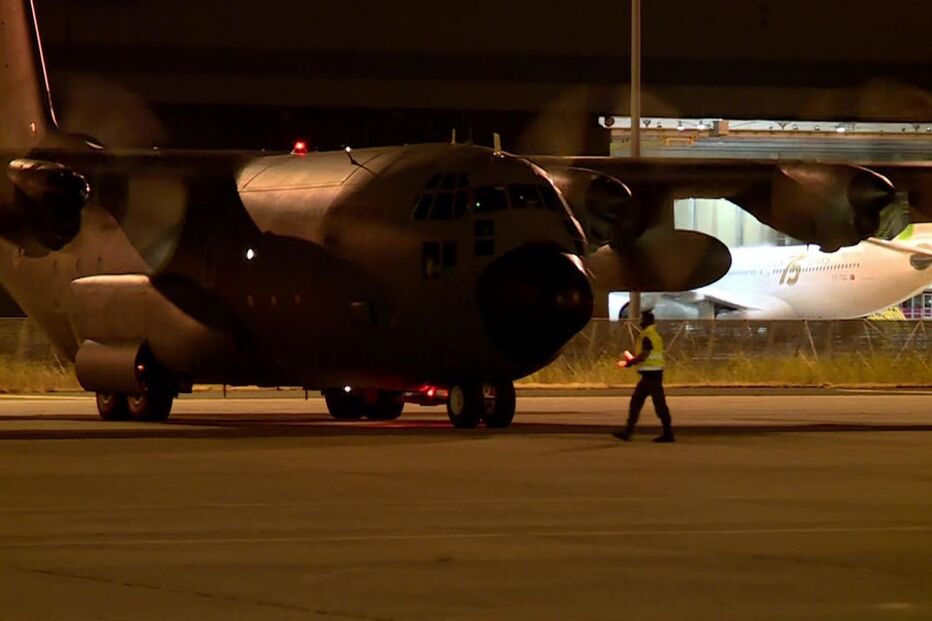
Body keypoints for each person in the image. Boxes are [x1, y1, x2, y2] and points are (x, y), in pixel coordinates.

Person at [613, 310, 674, 443]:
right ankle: (628, 431)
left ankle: (667, 433)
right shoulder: (654, 335)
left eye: (642, 319)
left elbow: (645, 354)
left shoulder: (647, 336)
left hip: (651, 376)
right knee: (639, 402)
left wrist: (630, 362)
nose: (640, 322)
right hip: (651, 374)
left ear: (647, 321)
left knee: (655, 404)